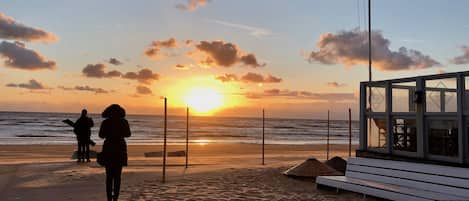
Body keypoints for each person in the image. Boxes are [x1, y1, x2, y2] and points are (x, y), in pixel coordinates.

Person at [99, 104, 131, 201]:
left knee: (109, 176)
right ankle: (115, 198)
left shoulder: (105, 122)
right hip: (120, 148)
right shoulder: (124, 122)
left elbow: (101, 135)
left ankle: (109, 198)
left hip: (108, 147)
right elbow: (128, 134)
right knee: (117, 176)